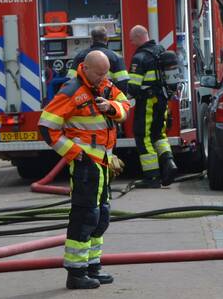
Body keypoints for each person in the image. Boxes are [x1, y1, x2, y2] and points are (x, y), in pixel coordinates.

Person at [39, 50, 130, 290]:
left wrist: (110, 107)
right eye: (99, 73)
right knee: (85, 216)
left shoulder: (106, 87)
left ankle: (92, 266)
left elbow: (125, 106)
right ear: (85, 68)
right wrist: (73, 152)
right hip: (85, 163)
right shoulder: (71, 91)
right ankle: (76, 273)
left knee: (101, 216)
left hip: (103, 162)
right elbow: (47, 126)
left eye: (106, 73)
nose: (104, 78)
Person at [127, 25, 178, 187]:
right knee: (159, 134)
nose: (130, 42)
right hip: (163, 100)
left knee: (143, 135)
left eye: (132, 39)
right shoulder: (161, 50)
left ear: (138, 37)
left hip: (147, 102)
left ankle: (152, 177)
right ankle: (169, 163)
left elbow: (133, 87)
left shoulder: (140, 57)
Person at [67, 26, 129, 93]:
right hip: (107, 100)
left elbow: (70, 81)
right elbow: (123, 83)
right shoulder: (116, 57)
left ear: (92, 39)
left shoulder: (80, 56)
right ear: (107, 38)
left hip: (83, 99)